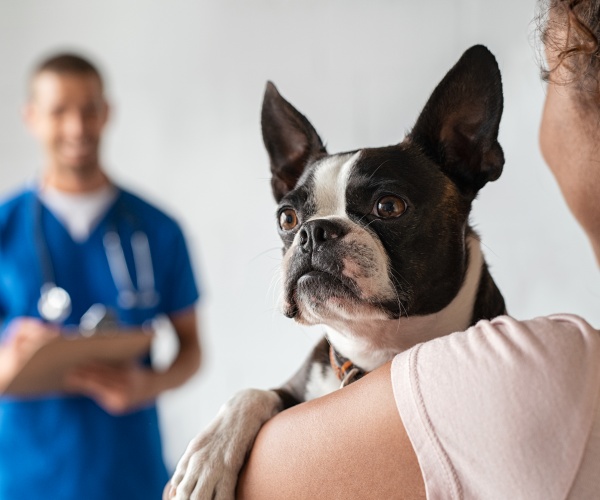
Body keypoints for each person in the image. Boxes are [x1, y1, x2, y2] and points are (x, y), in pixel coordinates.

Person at [233, 1, 600, 498]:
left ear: (471, 154)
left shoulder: (513, 375)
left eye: (386, 206)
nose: (312, 236)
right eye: (294, 219)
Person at [0, 53, 202, 500]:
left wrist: (149, 384)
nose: (77, 128)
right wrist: (11, 363)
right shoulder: (5, 228)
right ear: (31, 118)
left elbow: (192, 349)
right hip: (24, 480)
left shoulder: (158, 229)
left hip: (130, 476)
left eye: (89, 109)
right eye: (59, 112)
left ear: (106, 113)